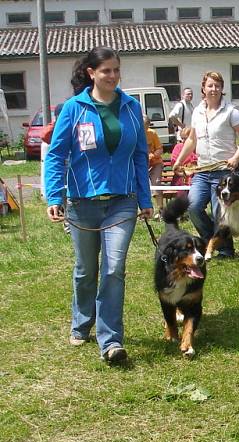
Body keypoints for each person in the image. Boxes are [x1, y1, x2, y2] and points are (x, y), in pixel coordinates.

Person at [44, 46, 153, 364]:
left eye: (117, 70)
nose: (113, 76)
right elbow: (56, 155)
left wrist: (144, 199)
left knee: (114, 268)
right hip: (82, 204)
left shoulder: (131, 107)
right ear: (91, 73)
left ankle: (111, 341)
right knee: (85, 270)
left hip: (122, 203)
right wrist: (55, 196)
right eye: (106, 70)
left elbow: (139, 155)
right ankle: (81, 323)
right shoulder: (74, 108)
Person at [173, 71, 239, 259]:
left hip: (223, 172)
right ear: (203, 88)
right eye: (210, 85)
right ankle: (211, 241)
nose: (213, 89)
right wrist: (178, 161)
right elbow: (192, 140)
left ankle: (225, 250)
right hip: (202, 171)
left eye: (217, 86)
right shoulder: (197, 112)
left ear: (222, 89)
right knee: (192, 206)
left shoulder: (231, 111)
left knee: (220, 212)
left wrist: (236, 157)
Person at [143, 115, 164, 215]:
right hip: (141, 165)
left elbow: (160, 149)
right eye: (143, 127)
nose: (145, 129)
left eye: (146, 127)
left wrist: (152, 155)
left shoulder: (152, 133)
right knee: (141, 186)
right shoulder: (134, 133)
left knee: (156, 183)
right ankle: (144, 211)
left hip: (155, 163)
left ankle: (160, 211)